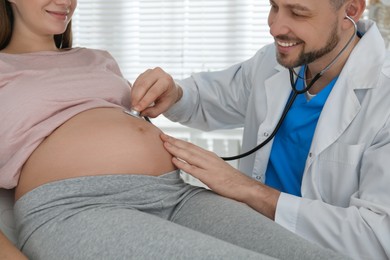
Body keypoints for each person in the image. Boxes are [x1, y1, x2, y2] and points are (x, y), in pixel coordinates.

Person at [0, 0, 350, 259]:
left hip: (174, 193)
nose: (65, 2)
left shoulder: (96, 58)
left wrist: (165, 95)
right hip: (78, 207)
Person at [130, 0, 390, 259]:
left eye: (298, 13)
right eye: (274, 6)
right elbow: (205, 99)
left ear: (351, 10)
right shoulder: (272, 62)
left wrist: (248, 190)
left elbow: (376, 238)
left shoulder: (384, 96)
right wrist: (174, 93)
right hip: (251, 239)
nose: (275, 28)